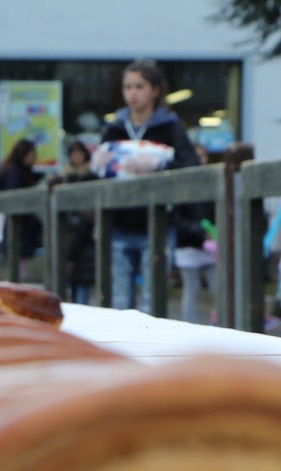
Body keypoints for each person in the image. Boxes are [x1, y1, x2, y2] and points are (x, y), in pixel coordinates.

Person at [96, 60, 202, 316]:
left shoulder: (170, 126)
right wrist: (97, 165)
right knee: (117, 302)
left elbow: (191, 166)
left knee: (152, 306)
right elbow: (99, 174)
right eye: (127, 87)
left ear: (155, 90)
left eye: (139, 86)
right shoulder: (114, 127)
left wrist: (160, 163)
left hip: (157, 224)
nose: (132, 93)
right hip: (118, 223)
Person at [61, 139, 97, 303]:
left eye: (79, 152)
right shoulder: (64, 176)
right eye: (73, 153)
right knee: (69, 279)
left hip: (86, 235)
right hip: (68, 232)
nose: (76, 156)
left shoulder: (92, 175)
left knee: (83, 280)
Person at [0, 138, 43, 261]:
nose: (33, 157)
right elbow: (14, 197)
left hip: (22, 223)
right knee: (18, 259)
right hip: (19, 223)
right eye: (30, 153)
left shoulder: (20, 171)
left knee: (20, 261)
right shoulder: (14, 172)